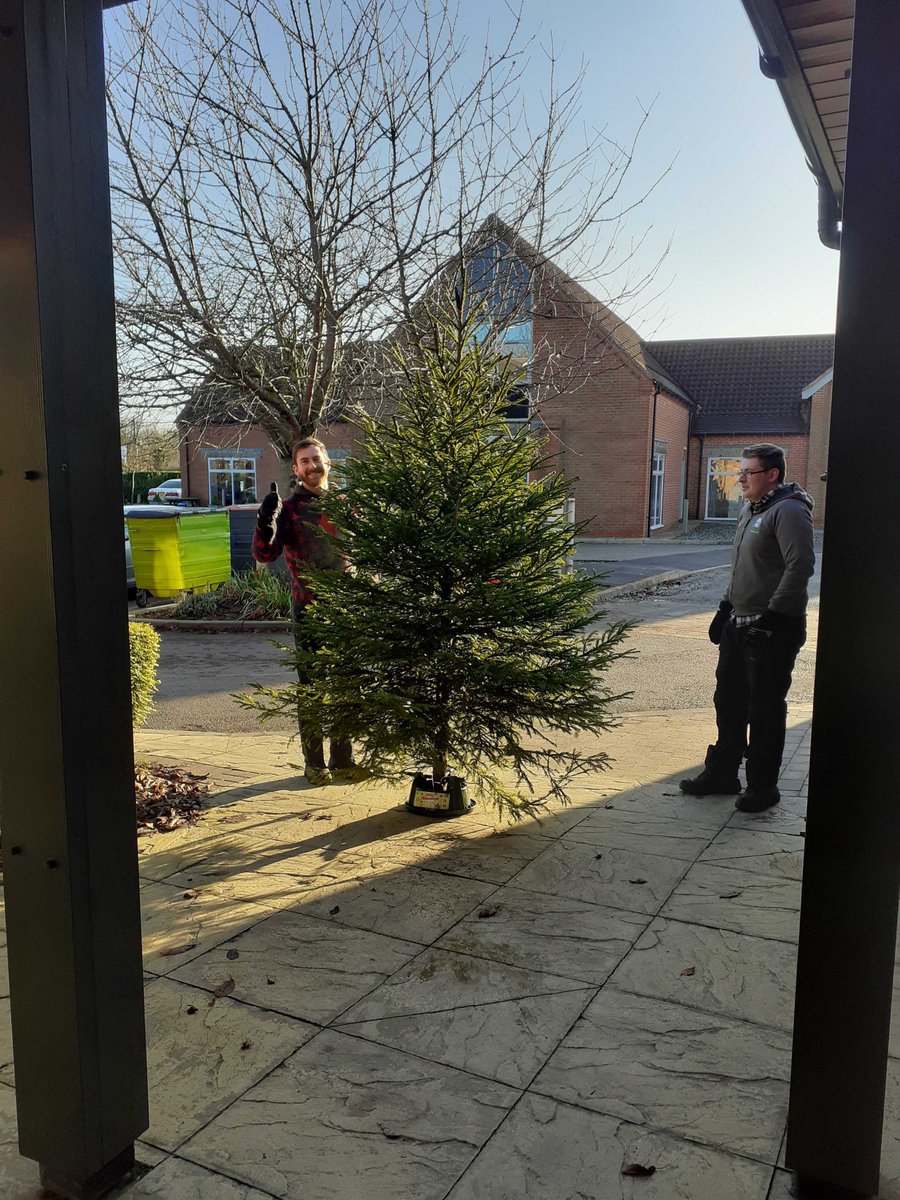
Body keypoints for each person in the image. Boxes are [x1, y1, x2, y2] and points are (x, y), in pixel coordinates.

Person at [680, 443, 815, 812]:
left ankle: (762, 787)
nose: (739, 478)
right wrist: (725, 607)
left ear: (772, 474)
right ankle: (723, 774)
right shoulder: (750, 510)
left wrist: (772, 618)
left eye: (747, 472)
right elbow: (741, 568)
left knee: (765, 710)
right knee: (729, 701)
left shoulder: (788, 511)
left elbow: (799, 567)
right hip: (738, 625)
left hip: (772, 629)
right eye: (739, 471)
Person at [252, 437, 355, 786]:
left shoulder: (345, 505)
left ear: (328, 462)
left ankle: (343, 761)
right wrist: (265, 522)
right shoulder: (289, 509)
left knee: (346, 687)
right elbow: (265, 555)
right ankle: (315, 764)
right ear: (296, 469)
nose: (313, 466)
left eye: (317, 459)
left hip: (347, 610)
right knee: (313, 689)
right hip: (309, 609)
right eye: (304, 462)